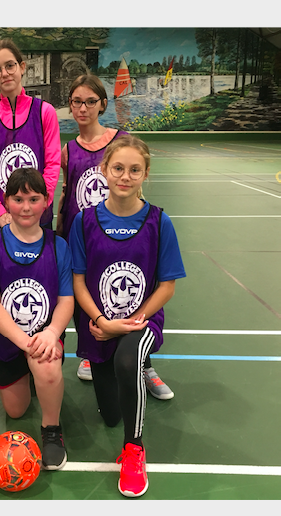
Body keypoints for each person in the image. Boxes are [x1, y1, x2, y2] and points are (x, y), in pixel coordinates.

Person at [68, 135, 186, 497]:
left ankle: (134, 450)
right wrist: (102, 322)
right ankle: (125, 387)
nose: (125, 176)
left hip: (141, 322)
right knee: (110, 412)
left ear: (146, 174)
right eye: (118, 168)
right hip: (98, 324)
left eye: (135, 170)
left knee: (127, 360)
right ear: (104, 170)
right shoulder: (84, 221)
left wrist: (135, 319)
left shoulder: (159, 221)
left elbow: (166, 286)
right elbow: (78, 282)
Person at [57, 75, 174, 398]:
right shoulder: (68, 150)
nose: (83, 108)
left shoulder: (121, 141)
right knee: (91, 293)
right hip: (85, 234)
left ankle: (144, 363)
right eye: (77, 102)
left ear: (102, 105)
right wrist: (60, 230)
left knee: (133, 291)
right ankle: (92, 354)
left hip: (123, 234)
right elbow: (67, 192)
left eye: (90, 101)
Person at [0, 167, 74, 470]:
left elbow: (67, 300)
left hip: (43, 336)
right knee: (16, 412)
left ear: (46, 201)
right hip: (7, 341)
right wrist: (24, 342)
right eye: (18, 199)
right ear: (6, 202)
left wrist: (53, 332)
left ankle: (52, 429)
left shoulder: (58, 245)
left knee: (47, 368)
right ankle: (22, 373)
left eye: (34, 198)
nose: (26, 207)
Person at [0, 38, 61, 236]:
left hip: (38, 220)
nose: (4, 73)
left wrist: (39, 206)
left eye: (10, 66)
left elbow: (53, 164)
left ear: (22, 67)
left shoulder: (44, 112)